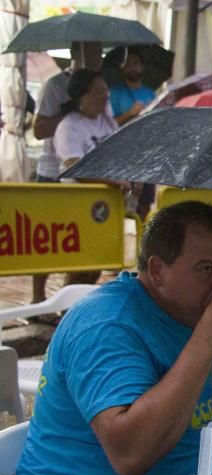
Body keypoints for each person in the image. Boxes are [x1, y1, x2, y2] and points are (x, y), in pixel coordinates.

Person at [15, 202, 212, 475]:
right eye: (205, 269)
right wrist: (206, 344)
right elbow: (131, 457)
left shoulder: (188, 311)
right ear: (157, 271)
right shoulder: (106, 324)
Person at [31, 41, 103, 305]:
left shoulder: (98, 85)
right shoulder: (55, 85)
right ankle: (38, 297)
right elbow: (38, 130)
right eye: (89, 51)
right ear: (74, 53)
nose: (95, 57)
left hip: (84, 176)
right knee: (47, 242)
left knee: (81, 242)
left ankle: (68, 298)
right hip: (53, 169)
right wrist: (70, 111)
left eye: (98, 52)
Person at [109, 49, 155, 126]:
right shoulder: (114, 93)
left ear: (142, 67)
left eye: (135, 63)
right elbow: (109, 125)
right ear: (122, 68)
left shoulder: (151, 94)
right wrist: (130, 113)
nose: (132, 67)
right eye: (127, 64)